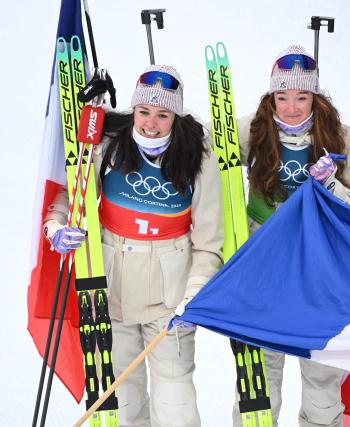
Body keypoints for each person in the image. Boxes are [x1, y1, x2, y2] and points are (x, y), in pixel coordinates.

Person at [43, 65, 224, 427]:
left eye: (163, 114)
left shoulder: (197, 155)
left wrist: (195, 294)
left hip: (170, 301)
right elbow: (73, 193)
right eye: (144, 112)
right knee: (123, 402)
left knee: (175, 405)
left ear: (176, 114)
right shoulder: (109, 142)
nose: (151, 124)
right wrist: (56, 226)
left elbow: (209, 243)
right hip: (111, 293)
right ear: (133, 110)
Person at [231, 44, 350, 427]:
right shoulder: (251, 130)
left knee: (322, 377)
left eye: (301, 96)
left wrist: (331, 184)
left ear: (315, 96)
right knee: (261, 374)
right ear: (271, 97)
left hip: (319, 265)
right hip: (267, 264)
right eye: (282, 96)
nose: (292, 107)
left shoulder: (341, 136)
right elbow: (192, 147)